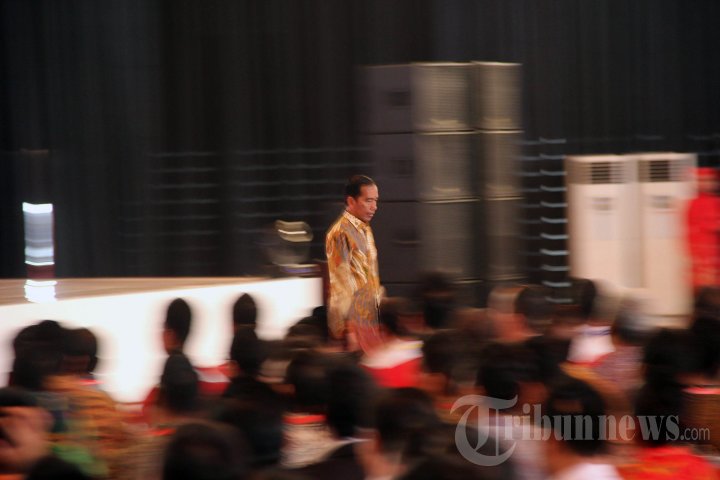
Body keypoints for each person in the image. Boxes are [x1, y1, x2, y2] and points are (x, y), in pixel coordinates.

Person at [325, 174, 382, 352]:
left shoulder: (365, 228)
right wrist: (349, 328)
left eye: (375, 200)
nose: (374, 206)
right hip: (353, 325)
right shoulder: (340, 233)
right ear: (351, 201)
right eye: (368, 201)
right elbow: (340, 284)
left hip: (370, 318)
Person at [686, 167, 720, 290]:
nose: (706, 184)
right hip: (701, 263)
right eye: (702, 180)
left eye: (709, 180)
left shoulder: (716, 202)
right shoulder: (693, 204)